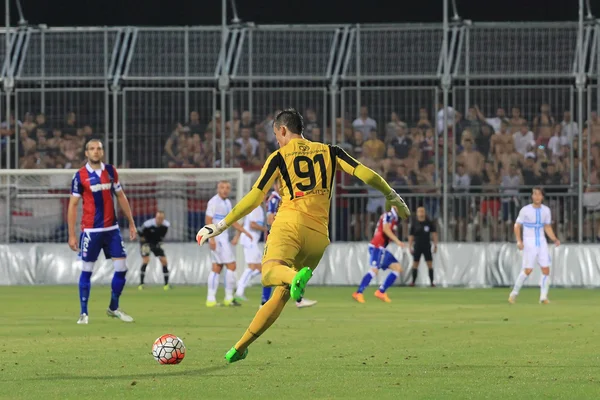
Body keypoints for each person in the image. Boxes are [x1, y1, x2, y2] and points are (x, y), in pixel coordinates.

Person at [196, 108, 410, 363]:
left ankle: (295, 276)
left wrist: (221, 225)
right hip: (319, 235)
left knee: (269, 273)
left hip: (290, 223)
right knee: (282, 294)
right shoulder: (331, 151)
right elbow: (365, 173)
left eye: (277, 135)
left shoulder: (278, 156)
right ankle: (240, 347)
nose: (277, 140)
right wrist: (391, 195)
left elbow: (256, 195)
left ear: (283, 130)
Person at [68, 139, 137, 325]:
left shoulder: (111, 171)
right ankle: (84, 313)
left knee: (122, 268)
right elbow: (73, 205)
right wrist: (72, 234)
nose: (96, 151)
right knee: (87, 270)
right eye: (92, 149)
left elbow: (121, 196)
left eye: (99, 148)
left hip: (112, 229)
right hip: (91, 231)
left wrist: (131, 222)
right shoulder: (80, 176)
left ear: (102, 152)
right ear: (86, 153)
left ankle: (113, 307)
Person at [261, 181, 318, 309]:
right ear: (276, 185)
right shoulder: (274, 199)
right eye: (280, 183)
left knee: (293, 268)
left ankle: (298, 299)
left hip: (289, 238)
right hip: (277, 239)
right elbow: (270, 219)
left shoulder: (289, 197)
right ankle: (264, 303)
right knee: (272, 269)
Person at [205, 181, 252, 307]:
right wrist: (211, 239)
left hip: (223, 238)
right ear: (218, 189)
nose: (225, 190)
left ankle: (211, 300)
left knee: (217, 267)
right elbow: (208, 220)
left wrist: (244, 231)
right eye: (222, 187)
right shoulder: (213, 202)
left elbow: (232, 221)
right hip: (218, 238)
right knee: (231, 266)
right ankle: (228, 297)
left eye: (227, 188)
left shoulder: (227, 202)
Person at [509, 187, 560, 304]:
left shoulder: (546, 210)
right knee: (528, 270)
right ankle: (514, 293)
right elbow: (517, 225)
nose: (536, 196)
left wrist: (554, 239)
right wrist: (519, 241)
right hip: (529, 241)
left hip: (541, 241)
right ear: (532, 196)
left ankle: (543, 297)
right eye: (534, 194)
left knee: (546, 269)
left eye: (539, 194)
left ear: (542, 197)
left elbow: (547, 226)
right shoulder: (525, 210)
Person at [352, 207, 404, 303]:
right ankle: (359, 293)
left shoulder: (393, 218)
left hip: (381, 248)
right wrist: (397, 241)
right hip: (377, 246)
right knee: (374, 270)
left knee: (397, 268)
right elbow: (385, 229)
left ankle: (381, 291)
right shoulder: (389, 215)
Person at [233, 203, 269, 301]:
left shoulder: (254, 208)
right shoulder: (256, 208)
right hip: (250, 240)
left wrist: (236, 237)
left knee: (260, 269)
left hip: (252, 241)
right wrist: (266, 229)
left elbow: (243, 223)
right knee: (252, 267)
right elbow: (252, 225)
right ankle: (239, 290)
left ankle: (240, 285)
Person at [137, 211, 171, 290]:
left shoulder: (166, 225)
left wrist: (158, 243)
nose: (160, 220)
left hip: (155, 244)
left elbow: (161, 236)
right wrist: (144, 243)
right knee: (146, 260)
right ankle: (141, 284)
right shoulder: (147, 224)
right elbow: (140, 233)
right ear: (156, 217)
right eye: (158, 218)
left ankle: (166, 284)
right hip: (146, 243)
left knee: (164, 260)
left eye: (162, 218)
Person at [408, 207, 438, 287]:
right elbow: (411, 236)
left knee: (430, 264)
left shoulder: (429, 222)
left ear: (425, 213)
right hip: (417, 246)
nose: (421, 213)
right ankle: (413, 282)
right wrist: (410, 246)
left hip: (427, 246)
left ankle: (432, 282)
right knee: (415, 263)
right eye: (419, 211)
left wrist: (435, 245)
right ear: (417, 213)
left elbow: (434, 233)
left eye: (422, 211)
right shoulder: (414, 223)